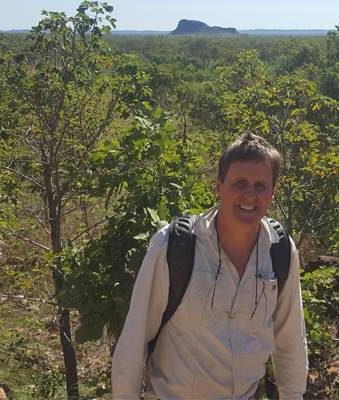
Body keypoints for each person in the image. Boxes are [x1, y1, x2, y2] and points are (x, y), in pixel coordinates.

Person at [112, 133, 308, 399]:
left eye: (261, 186)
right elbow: (133, 341)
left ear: (272, 192)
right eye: (240, 183)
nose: (250, 195)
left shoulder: (281, 252)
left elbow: (290, 341)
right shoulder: (174, 246)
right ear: (219, 187)